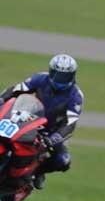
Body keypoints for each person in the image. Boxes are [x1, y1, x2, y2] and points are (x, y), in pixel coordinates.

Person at [0, 54, 83, 189]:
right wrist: (2, 100)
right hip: (29, 120)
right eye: (56, 75)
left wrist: (54, 138)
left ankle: (37, 173)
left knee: (63, 161)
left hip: (52, 131)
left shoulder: (76, 95)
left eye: (65, 76)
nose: (60, 80)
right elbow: (16, 90)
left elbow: (70, 123)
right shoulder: (40, 78)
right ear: (51, 72)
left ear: (73, 75)